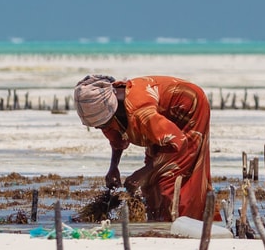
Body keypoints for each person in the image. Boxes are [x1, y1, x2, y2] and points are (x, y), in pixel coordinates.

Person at [73, 74, 214, 221]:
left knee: (169, 177)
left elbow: (178, 144)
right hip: (161, 121)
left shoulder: (141, 113)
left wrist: (141, 173)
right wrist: (113, 167)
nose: (98, 128)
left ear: (111, 111)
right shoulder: (111, 109)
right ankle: (156, 220)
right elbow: (117, 137)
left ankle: (181, 221)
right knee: (150, 180)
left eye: (101, 124)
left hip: (188, 108)